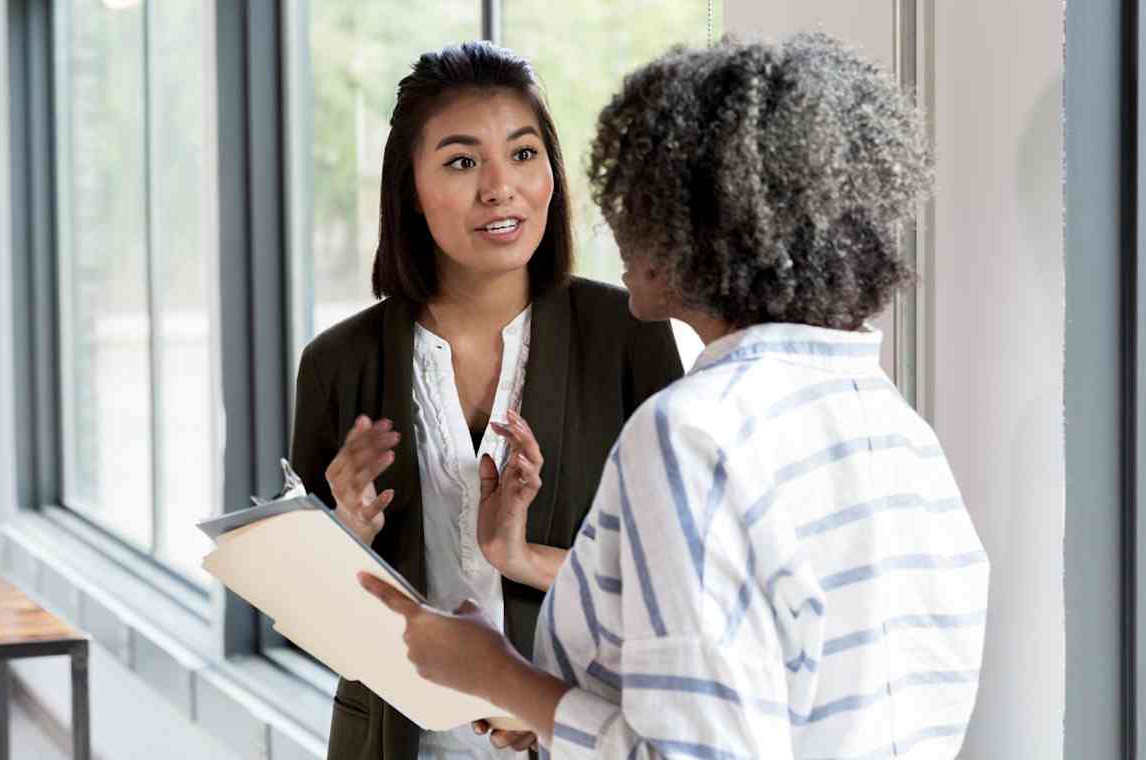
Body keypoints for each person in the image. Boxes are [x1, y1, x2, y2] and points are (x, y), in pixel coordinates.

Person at [360, 33, 990, 759]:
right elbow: (783, 698)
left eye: (638, 195)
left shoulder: (692, 435)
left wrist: (496, 673)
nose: (614, 220)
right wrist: (548, 710)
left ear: (705, 225)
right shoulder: (899, 431)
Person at [289, 41, 684, 760]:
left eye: (524, 154)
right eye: (463, 161)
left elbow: (674, 583)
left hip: (581, 735)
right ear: (410, 187)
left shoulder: (630, 336)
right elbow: (312, 627)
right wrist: (347, 534)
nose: (500, 187)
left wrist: (525, 554)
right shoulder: (336, 364)